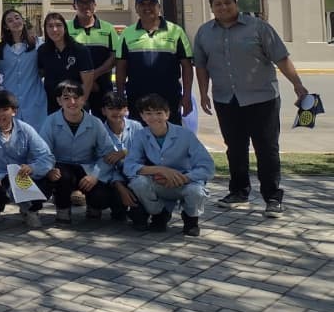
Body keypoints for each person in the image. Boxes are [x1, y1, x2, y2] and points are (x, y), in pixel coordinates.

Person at [193, 0, 309, 218]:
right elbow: (202, 66)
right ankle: (239, 192)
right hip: (226, 98)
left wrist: (297, 84)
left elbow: (281, 57)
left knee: (266, 148)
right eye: (218, 4)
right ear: (212, 8)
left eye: (227, 2)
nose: (223, 7)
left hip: (262, 98)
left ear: (235, 4)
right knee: (235, 148)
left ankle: (272, 197)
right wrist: (203, 93)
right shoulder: (204, 33)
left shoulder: (258, 27)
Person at [124, 93, 215, 236]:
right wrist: (160, 170)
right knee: (138, 183)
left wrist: (184, 178)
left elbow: (207, 167)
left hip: (184, 182)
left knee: (195, 191)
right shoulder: (141, 135)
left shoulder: (186, 135)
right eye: (148, 113)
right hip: (159, 181)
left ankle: (191, 219)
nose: (154, 118)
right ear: (142, 116)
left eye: (159, 113)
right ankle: (159, 213)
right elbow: (129, 166)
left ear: (167, 114)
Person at [0, 89, 54, 228]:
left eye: (5, 109)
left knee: (47, 180)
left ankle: (31, 210)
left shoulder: (26, 130)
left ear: (14, 111)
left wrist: (32, 168)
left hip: (21, 176)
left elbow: (47, 157)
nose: (1, 114)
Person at [37, 81, 117, 224]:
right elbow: (43, 151)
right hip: (61, 167)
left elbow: (108, 154)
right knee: (62, 176)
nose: (72, 102)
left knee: (102, 196)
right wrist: (49, 170)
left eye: (76, 97)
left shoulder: (95, 123)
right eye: (66, 98)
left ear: (83, 99)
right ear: (59, 101)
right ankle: (63, 209)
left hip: (87, 168)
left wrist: (95, 175)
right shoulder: (50, 121)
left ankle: (94, 207)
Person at [116, 0, 194, 126]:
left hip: (169, 95)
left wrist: (187, 96)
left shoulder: (176, 31)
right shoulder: (127, 33)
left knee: (171, 132)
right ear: (136, 8)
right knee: (139, 133)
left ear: (159, 7)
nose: (147, 8)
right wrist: (121, 95)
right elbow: (121, 66)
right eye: (142, 4)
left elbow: (187, 66)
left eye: (151, 4)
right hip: (137, 95)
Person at [67, 0, 121, 119]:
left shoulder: (108, 28)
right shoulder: (66, 28)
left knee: (106, 123)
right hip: (75, 88)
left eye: (88, 2)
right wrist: (86, 80)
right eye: (81, 3)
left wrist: (93, 75)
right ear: (74, 6)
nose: (85, 6)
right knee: (77, 122)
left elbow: (115, 57)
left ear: (95, 5)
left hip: (103, 87)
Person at [0, 9, 46, 132]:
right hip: (10, 102)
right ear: (6, 26)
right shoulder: (0, 49)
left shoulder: (37, 44)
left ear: (23, 20)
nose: (15, 22)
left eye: (17, 18)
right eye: (10, 20)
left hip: (34, 101)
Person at [97, 91, 145, 223]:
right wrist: (118, 185)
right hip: (112, 178)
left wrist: (124, 153)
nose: (116, 112)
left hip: (137, 174)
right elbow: (103, 163)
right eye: (111, 108)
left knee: (139, 218)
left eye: (119, 108)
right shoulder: (99, 131)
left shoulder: (136, 126)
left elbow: (145, 152)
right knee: (103, 197)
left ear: (126, 110)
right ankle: (117, 208)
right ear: (103, 111)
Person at [37, 12, 95, 117]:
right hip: (52, 106)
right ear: (45, 29)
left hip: (75, 106)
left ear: (65, 28)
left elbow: (87, 82)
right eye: (50, 26)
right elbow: (40, 73)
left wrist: (79, 104)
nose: (55, 29)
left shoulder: (80, 50)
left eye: (58, 25)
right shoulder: (42, 51)